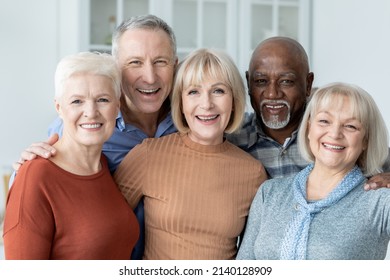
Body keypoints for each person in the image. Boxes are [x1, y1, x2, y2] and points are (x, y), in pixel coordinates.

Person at [10, 14, 179, 259]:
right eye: (135, 62)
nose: (150, 77)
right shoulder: (86, 126)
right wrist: (23, 170)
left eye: (160, 62)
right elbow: (38, 184)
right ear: (116, 68)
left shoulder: (191, 121)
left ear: (175, 65)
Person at [114, 48, 267, 260]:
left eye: (218, 91)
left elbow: (259, 254)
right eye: (193, 92)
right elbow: (103, 225)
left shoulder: (253, 172)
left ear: (234, 101)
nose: (206, 104)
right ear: (181, 102)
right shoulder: (149, 155)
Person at [3, 52, 139, 259]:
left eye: (102, 99)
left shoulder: (105, 166)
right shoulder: (36, 176)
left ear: (117, 106)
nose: (91, 112)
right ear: (59, 107)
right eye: (77, 101)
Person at [237, 82, 390, 260]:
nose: (334, 133)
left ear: (365, 140)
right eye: (324, 121)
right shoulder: (269, 193)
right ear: (309, 128)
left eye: (350, 126)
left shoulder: (379, 202)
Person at [226, 36, 390, 187]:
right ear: (248, 83)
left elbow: (378, 154)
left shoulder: (330, 136)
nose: (272, 94)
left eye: (286, 81)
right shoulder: (232, 138)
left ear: (308, 84)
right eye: (261, 81)